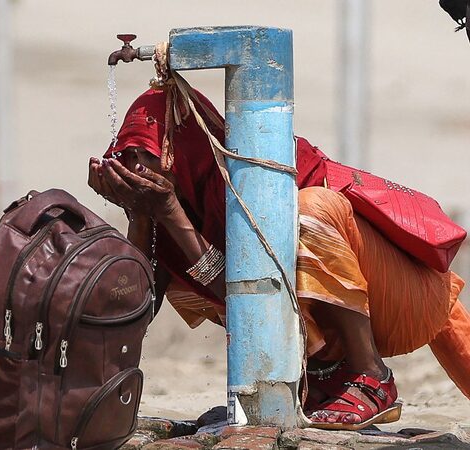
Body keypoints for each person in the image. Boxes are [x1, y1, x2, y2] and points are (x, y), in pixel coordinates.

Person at [88, 87, 470, 430]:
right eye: (124, 155)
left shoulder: (250, 174)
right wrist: (139, 215)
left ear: (181, 150)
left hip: (409, 294)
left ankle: (373, 377)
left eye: (144, 155)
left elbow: (258, 288)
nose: (133, 167)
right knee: (186, 277)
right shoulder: (177, 207)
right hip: (362, 308)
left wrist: (168, 211)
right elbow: (135, 309)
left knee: (310, 212)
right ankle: (319, 379)